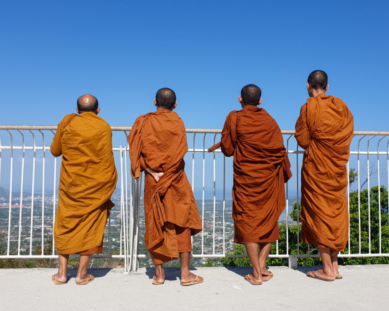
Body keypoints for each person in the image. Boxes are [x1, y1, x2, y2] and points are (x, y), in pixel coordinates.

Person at [209, 84, 292, 285]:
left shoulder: (234, 117)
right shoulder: (270, 120)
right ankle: (262, 267)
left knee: (248, 222)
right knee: (268, 220)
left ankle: (256, 272)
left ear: (240, 99)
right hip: (269, 179)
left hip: (246, 180)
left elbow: (228, 149)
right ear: (260, 101)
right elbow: (279, 149)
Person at [128, 88, 204, 286]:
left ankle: (160, 275)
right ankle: (186, 274)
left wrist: (153, 173)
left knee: (155, 222)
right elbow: (180, 153)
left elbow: (137, 154)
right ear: (175, 104)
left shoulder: (143, 121)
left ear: (154, 102)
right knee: (182, 223)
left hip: (153, 181)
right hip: (175, 180)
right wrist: (167, 174)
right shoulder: (177, 121)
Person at [51, 94, 117, 285]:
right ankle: (81, 275)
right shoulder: (103, 126)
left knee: (65, 224)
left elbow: (55, 151)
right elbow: (105, 157)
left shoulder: (68, 122)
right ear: (98, 110)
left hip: (71, 185)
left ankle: (62, 274)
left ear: (77, 109)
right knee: (91, 225)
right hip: (96, 186)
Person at [295, 70, 354, 281]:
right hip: (336, 168)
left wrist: (316, 142)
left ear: (308, 85)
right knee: (335, 214)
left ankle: (327, 269)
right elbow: (346, 134)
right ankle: (334, 266)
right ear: (327, 87)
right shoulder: (341, 106)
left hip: (317, 168)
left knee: (320, 215)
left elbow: (302, 140)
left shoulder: (309, 107)